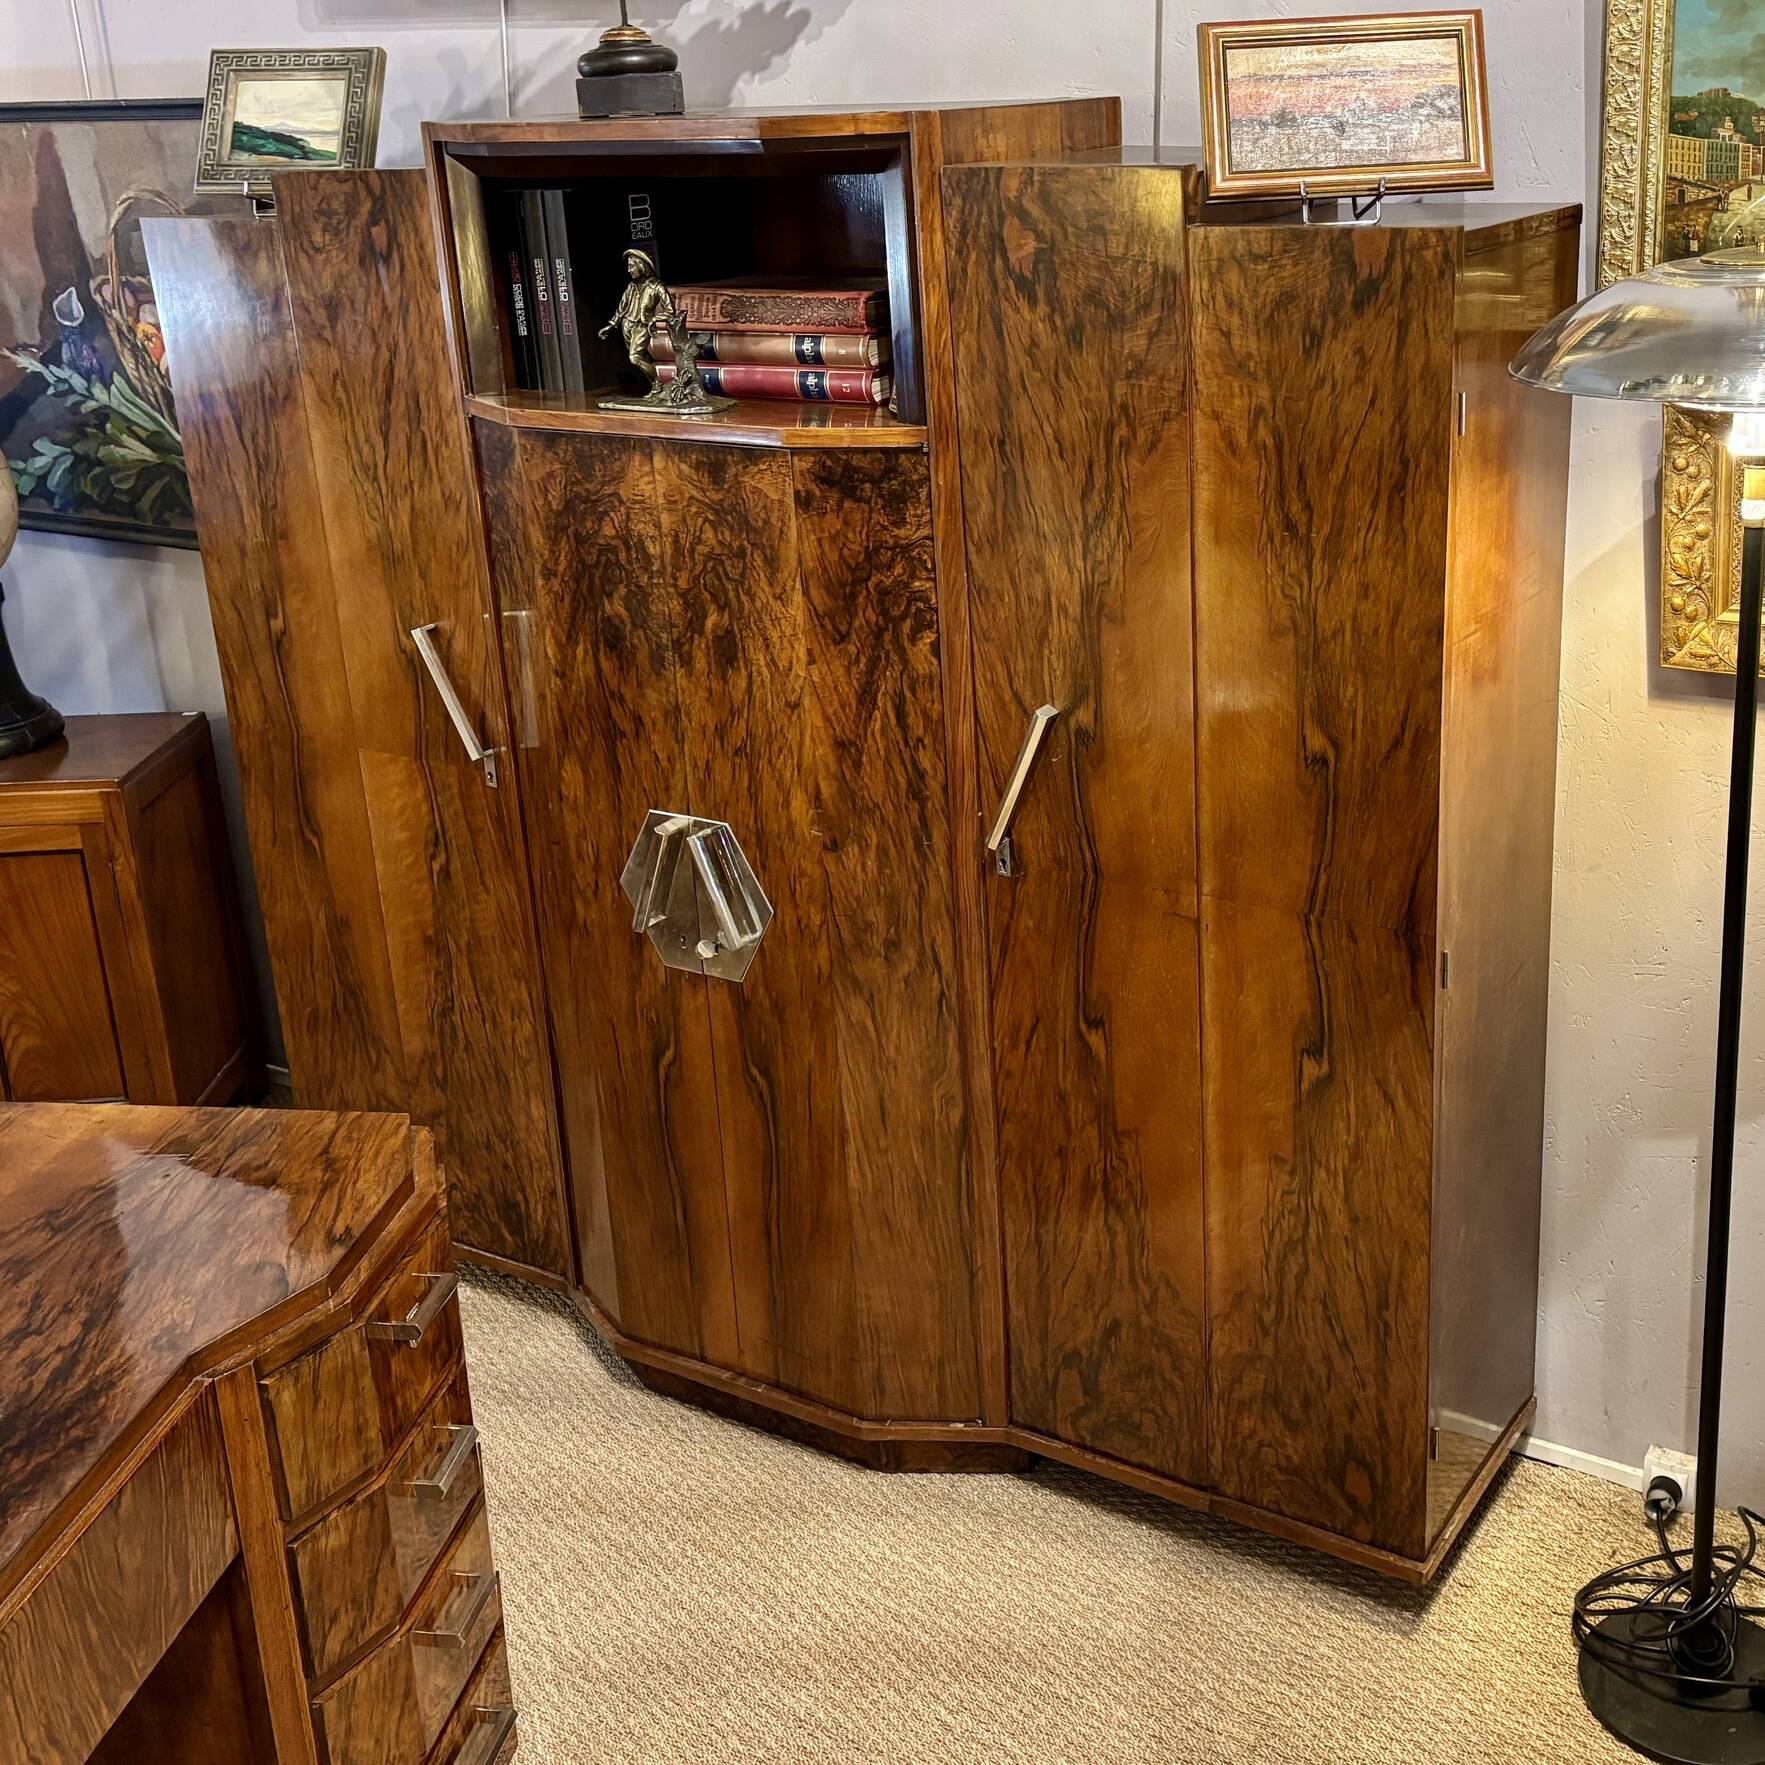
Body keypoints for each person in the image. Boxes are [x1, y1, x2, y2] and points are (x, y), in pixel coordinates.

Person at [598, 249, 671, 392]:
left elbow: (670, 310)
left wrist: (655, 319)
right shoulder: (631, 287)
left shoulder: (656, 287)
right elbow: (621, 308)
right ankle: (655, 388)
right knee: (642, 357)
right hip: (627, 325)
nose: (628, 270)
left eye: (632, 266)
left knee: (635, 358)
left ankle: (658, 384)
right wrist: (611, 326)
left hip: (642, 326)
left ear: (641, 266)